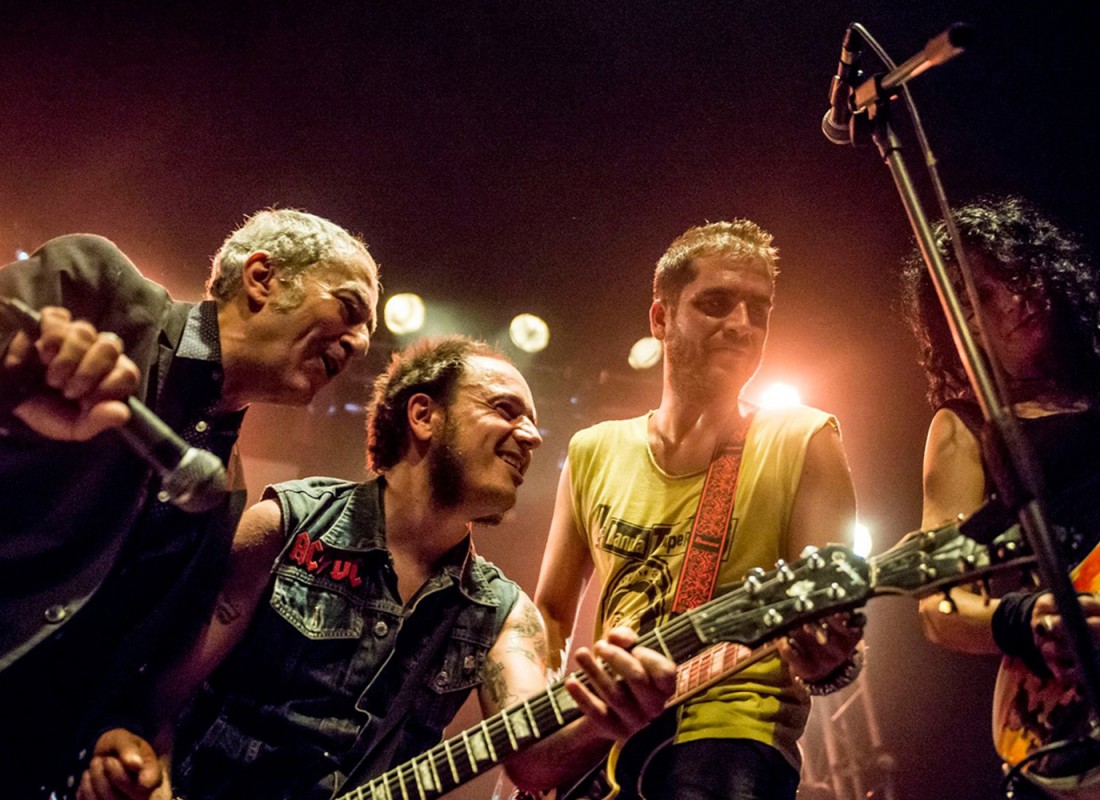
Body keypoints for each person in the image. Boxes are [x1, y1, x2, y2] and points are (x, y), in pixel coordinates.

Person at [78, 335, 677, 800]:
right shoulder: (289, 526)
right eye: (506, 410)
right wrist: (138, 765)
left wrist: (610, 717)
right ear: (423, 415)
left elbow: (533, 759)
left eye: (534, 421)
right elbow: (159, 697)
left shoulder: (502, 612)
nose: (533, 436)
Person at [0, 209, 381, 798]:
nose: (358, 343)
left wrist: (108, 737)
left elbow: (120, 654)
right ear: (262, 278)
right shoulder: (100, 291)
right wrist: (10, 384)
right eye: (349, 309)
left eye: (366, 335)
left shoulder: (225, 494)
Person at [535, 219, 864, 800]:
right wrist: (541, 734)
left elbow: (829, 623)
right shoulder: (593, 449)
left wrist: (830, 658)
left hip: (734, 736)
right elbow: (553, 612)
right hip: (606, 746)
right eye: (716, 303)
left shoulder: (804, 437)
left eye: (758, 310)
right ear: (660, 317)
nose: (741, 324)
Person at [902, 194, 1100, 797]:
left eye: (1020, 274)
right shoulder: (966, 429)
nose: (1017, 298)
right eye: (983, 295)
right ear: (959, 325)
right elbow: (940, 606)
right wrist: (1027, 618)